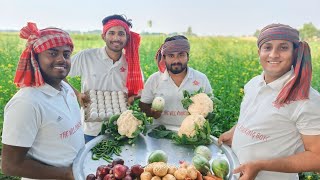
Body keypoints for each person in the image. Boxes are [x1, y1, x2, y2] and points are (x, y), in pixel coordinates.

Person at [218, 24, 320, 180]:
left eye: (283, 48)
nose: (273, 54)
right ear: (259, 52)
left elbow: (317, 158)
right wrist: (235, 131)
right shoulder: (253, 84)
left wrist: (261, 166)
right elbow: (253, 116)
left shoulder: (307, 99)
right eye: (267, 47)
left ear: (294, 54)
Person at [1, 22, 85, 180]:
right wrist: (67, 174)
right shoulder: (26, 102)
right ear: (36, 58)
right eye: (52, 53)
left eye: (66, 54)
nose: (61, 60)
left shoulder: (66, 89)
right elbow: (10, 165)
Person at [67, 14, 144, 143]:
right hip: (91, 130)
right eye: (111, 33)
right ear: (103, 36)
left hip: (120, 129)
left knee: (118, 163)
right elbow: (57, 75)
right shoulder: (87, 57)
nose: (116, 38)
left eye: (121, 34)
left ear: (127, 38)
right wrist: (77, 94)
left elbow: (140, 92)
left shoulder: (132, 64)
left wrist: (132, 98)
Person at [139, 35, 212, 130]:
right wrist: (151, 112)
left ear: (188, 57)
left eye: (181, 55)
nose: (176, 60)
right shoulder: (155, 79)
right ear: (164, 58)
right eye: (171, 56)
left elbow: (210, 105)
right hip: (159, 133)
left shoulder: (201, 79)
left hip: (192, 133)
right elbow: (143, 105)